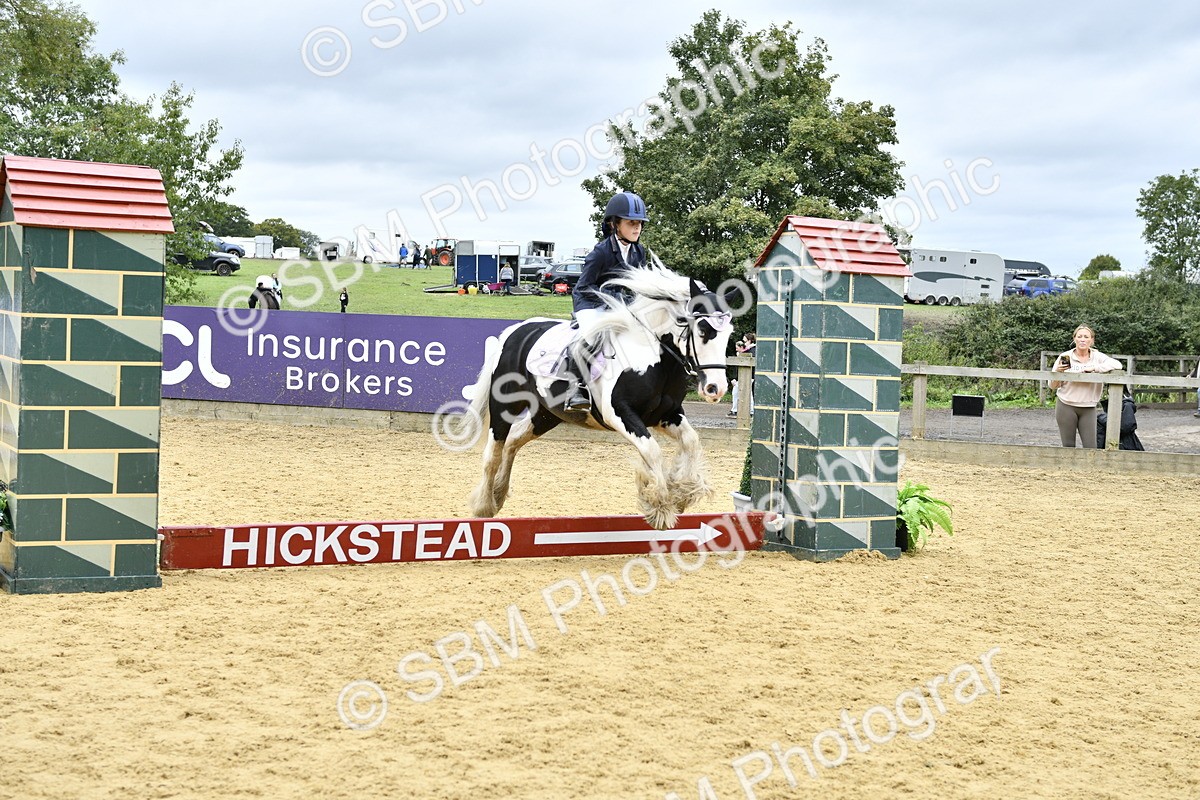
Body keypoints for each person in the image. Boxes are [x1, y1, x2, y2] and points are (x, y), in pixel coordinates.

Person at [563, 191, 649, 411]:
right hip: (590, 303)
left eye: (639, 223)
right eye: (631, 223)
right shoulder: (600, 253)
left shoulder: (639, 252)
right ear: (614, 224)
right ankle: (575, 388)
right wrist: (613, 297)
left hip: (620, 306)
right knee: (590, 337)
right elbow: (582, 287)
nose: (637, 228)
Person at [1048, 325, 1123, 448]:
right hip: (1066, 405)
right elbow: (1052, 385)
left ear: (1091, 340)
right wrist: (1058, 372)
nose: (1083, 339)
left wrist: (1095, 368)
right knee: (1068, 446)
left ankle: (1089, 468)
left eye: (1086, 337)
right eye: (1080, 336)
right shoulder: (1065, 356)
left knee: (1091, 447)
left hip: (1088, 407)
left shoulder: (1098, 357)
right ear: (1074, 339)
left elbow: (1117, 364)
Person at [729, 334, 757, 416]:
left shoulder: (752, 350)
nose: (743, 343)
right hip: (744, 376)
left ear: (749, 341)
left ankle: (750, 411)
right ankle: (736, 410)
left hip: (749, 375)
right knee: (737, 392)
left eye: (745, 341)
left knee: (748, 393)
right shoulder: (749, 350)